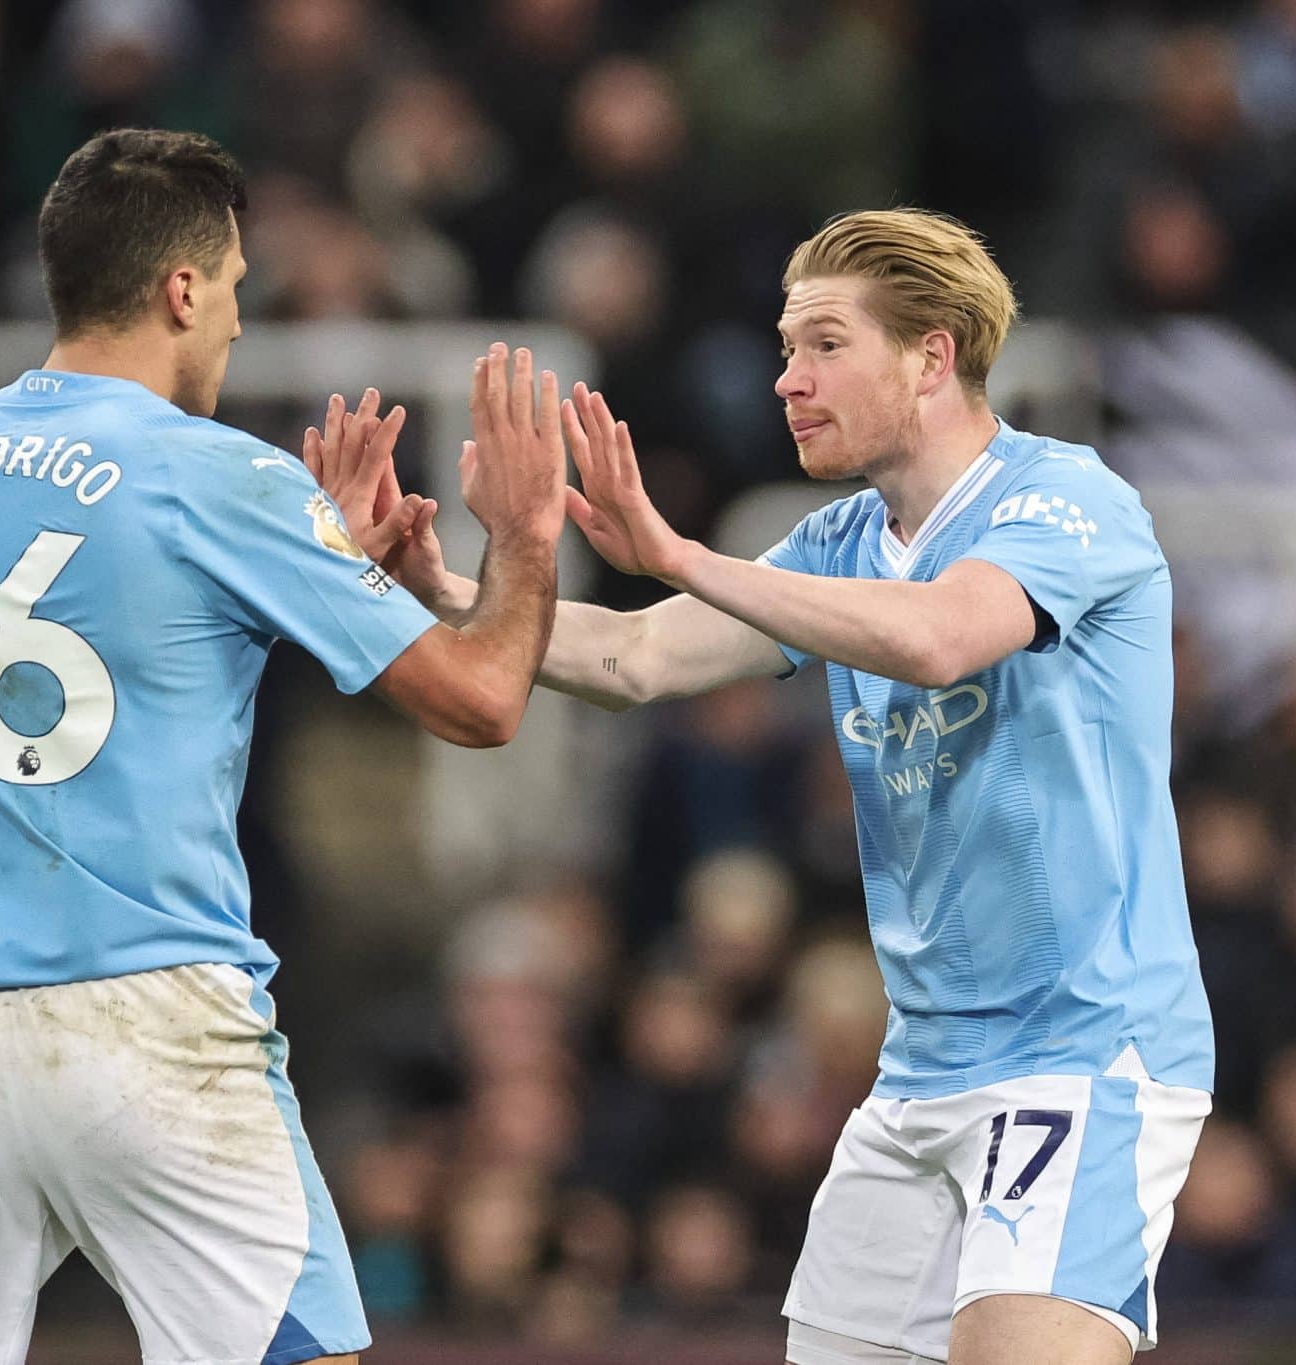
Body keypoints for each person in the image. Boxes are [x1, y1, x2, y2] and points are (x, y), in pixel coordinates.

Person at [326, 209, 1215, 1364]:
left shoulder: (1065, 501)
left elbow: (944, 636)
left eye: (825, 346)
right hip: (922, 1073)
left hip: (1084, 1056)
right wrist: (433, 584)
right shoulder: (838, 540)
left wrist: (687, 554)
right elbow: (633, 660)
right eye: (785, 349)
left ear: (931, 355)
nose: (787, 381)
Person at [0, 128, 567, 1365]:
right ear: (182, 288)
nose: (241, 327)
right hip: (148, 1017)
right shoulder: (220, 479)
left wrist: (310, 579)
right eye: (240, 288)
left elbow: (113, 649)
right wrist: (522, 534)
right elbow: (481, 700)